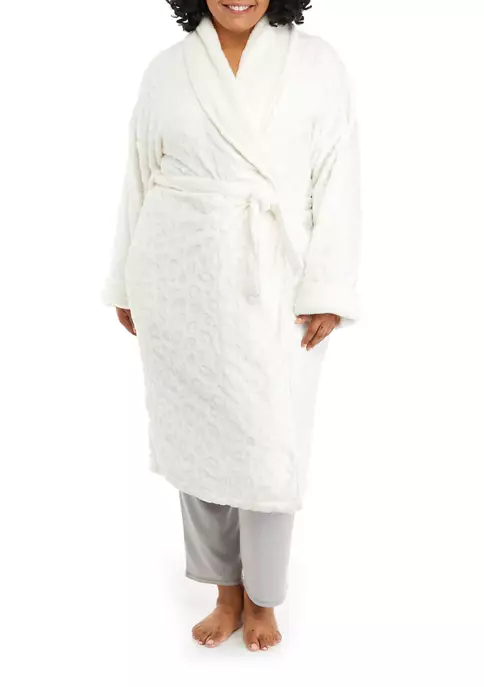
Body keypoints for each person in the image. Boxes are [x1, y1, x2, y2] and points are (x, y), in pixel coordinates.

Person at [101, 0, 362, 652]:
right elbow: (138, 177)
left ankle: (263, 596)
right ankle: (224, 592)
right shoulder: (167, 70)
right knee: (198, 435)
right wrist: (127, 281)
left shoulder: (318, 65)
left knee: (271, 442)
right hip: (179, 279)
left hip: (275, 281)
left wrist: (328, 286)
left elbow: (338, 178)